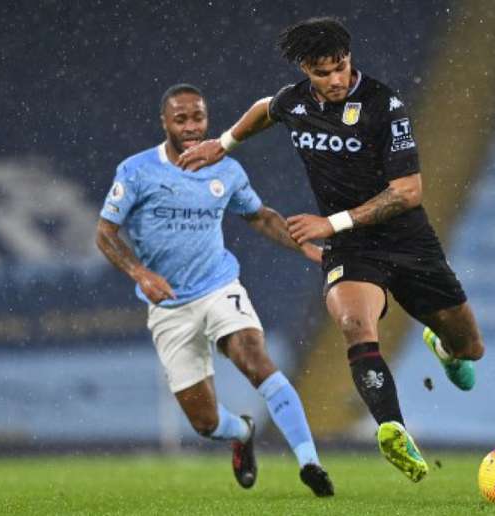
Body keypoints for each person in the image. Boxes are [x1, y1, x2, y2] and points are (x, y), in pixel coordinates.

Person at [177, 17, 485, 483]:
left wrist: (330, 222)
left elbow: (408, 191)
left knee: (472, 348)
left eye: (341, 66)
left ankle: (444, 347)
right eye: (322, 72)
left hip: (408, 242)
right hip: (352, 247)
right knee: (353, 324)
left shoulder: (384, 104)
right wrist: (223, 144)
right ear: (305, 69)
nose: (336, 79)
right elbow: (266, 107)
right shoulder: (294, 101)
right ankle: (392, 428)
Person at [95, 83, 334, 497]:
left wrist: (308, 249)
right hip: (170, 306)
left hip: (219, 286)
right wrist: (140, 274)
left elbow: (260, 217)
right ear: (164, 122)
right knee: (205, 423)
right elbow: (105, 233)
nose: (191, 126)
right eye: (181, 119)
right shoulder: (137, 171)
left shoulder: (225, 169)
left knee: (253, 356)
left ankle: (310, 462)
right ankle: (242, 432)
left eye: (198, 117)